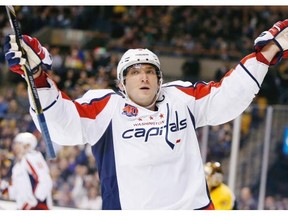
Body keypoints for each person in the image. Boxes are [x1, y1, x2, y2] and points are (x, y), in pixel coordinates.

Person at [3, 19, 288, 210]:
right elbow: (63, 126)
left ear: (159, 79)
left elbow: (228, 96)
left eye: (150, 71)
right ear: (121, 83)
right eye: (135, 72)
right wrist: (38, 77)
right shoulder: (106, 107)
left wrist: (266, 54)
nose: (144, 77)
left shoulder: (180, 97)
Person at [0, 132, 53, 210]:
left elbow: (45, 181)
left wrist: (35, 201)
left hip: (38, 207)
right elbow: (15, 192)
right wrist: (3, 187)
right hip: (24, 207)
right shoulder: (17, 167)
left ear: (27, 145)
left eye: (18, 143)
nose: (14, 146)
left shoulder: (33, 157)